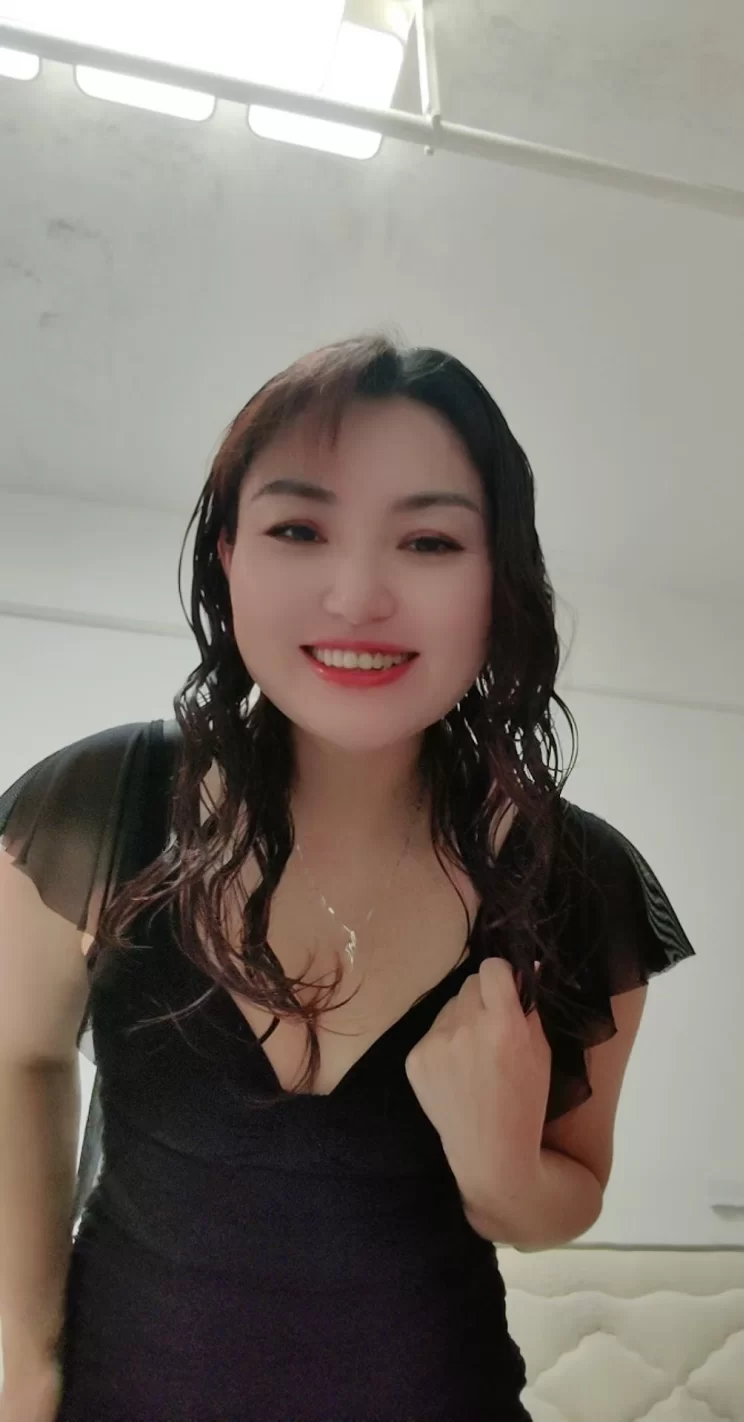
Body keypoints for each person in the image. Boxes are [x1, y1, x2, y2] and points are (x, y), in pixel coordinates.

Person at [0, 334, 696, 1421]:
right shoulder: (95, 805)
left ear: (498, 581)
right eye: (298, 529)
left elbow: (574, 1189)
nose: (358, 595)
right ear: (229, 556)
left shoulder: (578, 878)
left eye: (428, 541)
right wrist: (22, 1365)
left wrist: (503, 1173)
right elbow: (19, 1056)